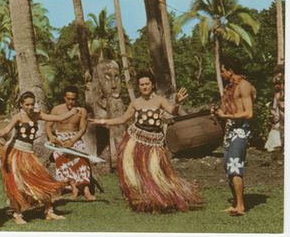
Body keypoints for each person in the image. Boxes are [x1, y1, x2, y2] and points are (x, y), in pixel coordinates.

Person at [89, 71, 202, 212]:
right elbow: (123, 119)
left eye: (147, 84)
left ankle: (159, 199)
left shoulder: (160, 100)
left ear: (152, 85)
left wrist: (178, 102)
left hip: (154, 142)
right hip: (136, 140)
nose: (144, 87)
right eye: (141, 85)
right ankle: (143, 201)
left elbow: (173, 111)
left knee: (154, 172)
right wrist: (103, 120)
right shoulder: (136, 102)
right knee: (135, 172)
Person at [0, 90, 80, 224]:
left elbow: (58, 118)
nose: (30, 107)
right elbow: (5, 130)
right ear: (21, 104)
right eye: (27, 105)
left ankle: (49, 212)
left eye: (32, 104)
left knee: (42, 179)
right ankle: (17, 214)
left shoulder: (37, 115)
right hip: (15, 152)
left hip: (28, 153)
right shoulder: (18, 117)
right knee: (16, 184)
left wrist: (72, 112)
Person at [212, 64, 256, 216]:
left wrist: (226, 116)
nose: (222, 74)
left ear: (231, 70)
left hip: (240, 130)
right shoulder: (229, 88)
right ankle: (236, 203)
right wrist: (218, 113)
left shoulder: (244, 86)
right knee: (227, 164)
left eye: (223, 71)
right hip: (230, 130)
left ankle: (241, 207)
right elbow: (226, 110)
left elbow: (249, 113)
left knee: (234, 164)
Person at [45, 86, 96, 201]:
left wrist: (72, 140)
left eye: (73, 99)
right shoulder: (57, 110)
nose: (70, 102)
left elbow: (83, 129)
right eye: (68, 98)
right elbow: (48, 126)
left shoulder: (82, 111)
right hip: (60, 139)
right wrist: (52, 137)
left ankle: (86, 190)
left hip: (75, 138)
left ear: (76, 99)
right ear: (64, 98)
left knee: (82, 158)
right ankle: (73, 187)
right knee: (60, 157)